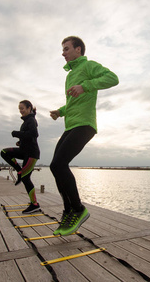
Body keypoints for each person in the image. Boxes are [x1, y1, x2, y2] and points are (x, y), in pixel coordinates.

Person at [50, 36, 119, 236]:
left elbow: (113, 78)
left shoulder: (89, 66)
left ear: (78, 50)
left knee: (59, 164)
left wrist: (86, 86)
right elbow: (73, 102)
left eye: (66, 49)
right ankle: (68, 211)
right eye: (62, 50)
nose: (63, 53)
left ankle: (79, 210)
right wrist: (60, 111)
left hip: (85, 124)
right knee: (55, 166)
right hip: (71, 124)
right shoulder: (70, 75)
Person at [1, 100, 41, 214]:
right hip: (24, 151)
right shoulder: (26, 121)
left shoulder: (31, 120)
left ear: (29, 108)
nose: (21, 111)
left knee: (26, 178)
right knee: (4, 152)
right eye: (19, 109)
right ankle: (19, 171)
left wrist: (16, 133)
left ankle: (35, 204)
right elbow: (28, 137)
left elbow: (34, 134)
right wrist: (20, 141)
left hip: (32, 154)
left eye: (22, 108)